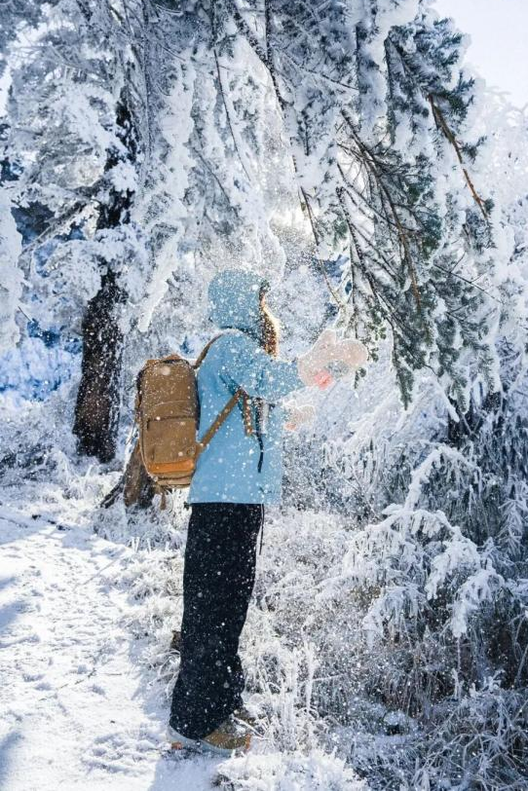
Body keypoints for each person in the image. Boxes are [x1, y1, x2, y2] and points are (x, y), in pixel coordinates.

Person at [168, 269, 365, 755]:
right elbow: (269, 380)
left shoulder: (234, 352)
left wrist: (315, 386)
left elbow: (258, 406)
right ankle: (195, 721)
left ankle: (221, 700)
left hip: (235, 499)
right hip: (224, 501)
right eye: (259, 302)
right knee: (214, 612)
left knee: (225, 609)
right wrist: (311, 365)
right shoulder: (232, 345)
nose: (266, 312)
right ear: (243, 304)